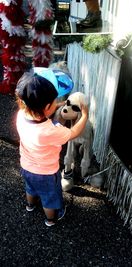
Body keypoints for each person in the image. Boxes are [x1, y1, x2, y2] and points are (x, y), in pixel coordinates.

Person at [15, 68, 88, 227]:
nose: (57, 103)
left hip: (26, 167)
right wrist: (85, 115)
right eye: (55, 101)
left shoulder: (21, 115)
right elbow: (74, 132)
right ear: (47, 107)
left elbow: (40, 110)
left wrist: (57, 104)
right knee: (50, 198)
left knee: (31, 188)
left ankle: (30, 205)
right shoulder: (51, 131)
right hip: (46, 174)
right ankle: (51, 219)